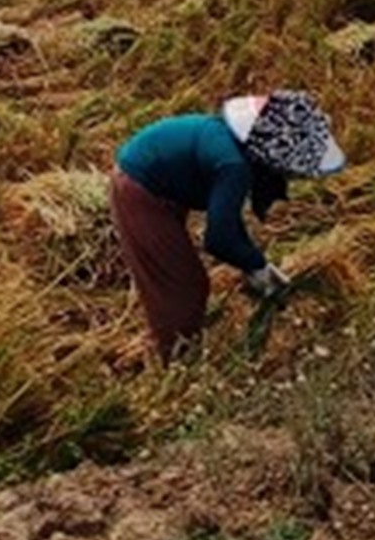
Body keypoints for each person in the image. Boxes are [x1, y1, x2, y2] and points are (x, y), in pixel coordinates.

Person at [109, 90, 346, 364]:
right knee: (183, 287)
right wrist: (257, 267)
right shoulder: (234, 165)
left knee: (181, 284)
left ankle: (168, 349)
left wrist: (255, 265)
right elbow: (219, 237)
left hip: (155, 183)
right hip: (140, 190)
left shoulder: (237, 148)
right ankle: (172, 361)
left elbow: (228, 219)